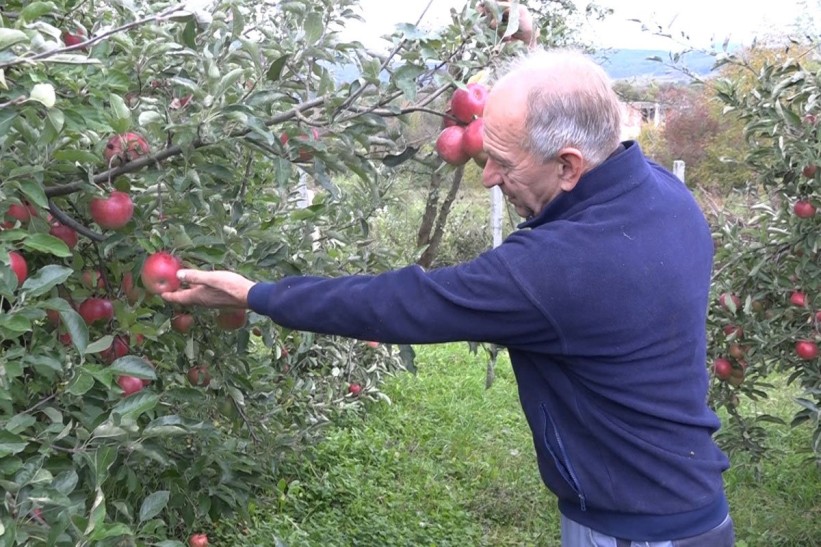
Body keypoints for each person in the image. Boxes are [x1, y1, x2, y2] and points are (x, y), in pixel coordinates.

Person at [162, 29, 735, 547]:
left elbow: (402, 305)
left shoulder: (558, 267)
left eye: (502, 163)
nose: (486, 176)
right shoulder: (663, 194)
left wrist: (255, 294)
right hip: (693, 510)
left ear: (568, 165)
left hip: (633, 533)